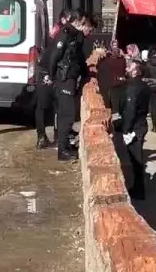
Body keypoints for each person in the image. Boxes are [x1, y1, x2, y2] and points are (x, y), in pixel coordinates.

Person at [48, 11, 88, 161]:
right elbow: (54, 57)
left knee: (67, 114)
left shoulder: (76, 36)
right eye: (82, 22)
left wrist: (84, 73)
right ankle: (62, 150)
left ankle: (64, 146)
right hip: (63, 78)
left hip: (70, 77)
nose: (83, 26)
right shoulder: (65, 34)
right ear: (76, 21)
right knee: (68, 114)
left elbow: (79, 57)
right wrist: (52, 77)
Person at [113, 59, 150, 200]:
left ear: (136, 71)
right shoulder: (143, 85)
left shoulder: (133, 88)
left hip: (135, 126)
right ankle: (137, 186)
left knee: (136, 158)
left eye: (130, 66)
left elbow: (130, 109)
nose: (127, 68)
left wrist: (126, 129)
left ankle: (139, 189)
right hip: (140, 123)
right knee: (135, 157)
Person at [34, 11, 69, 149]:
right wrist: (50, 75)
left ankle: (50, 137)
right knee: (48, 106)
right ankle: (44, 137)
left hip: (48, 71)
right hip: (47, 72)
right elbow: (54, 56)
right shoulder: (61, 32)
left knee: (51, 107)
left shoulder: (62, 32)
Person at [96, 44, 128, 111]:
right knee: (118, 104)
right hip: (120, 84)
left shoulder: (105, 61)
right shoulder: (123, 60)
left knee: (111, 104)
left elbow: (99, 71)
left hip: (110, 85)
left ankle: (114, 118)